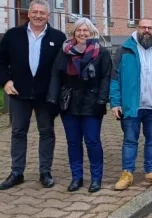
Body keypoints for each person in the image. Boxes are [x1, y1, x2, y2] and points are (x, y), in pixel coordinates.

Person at [0, 0, 66, 190]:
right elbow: (1, 62)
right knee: (18, 132)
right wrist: (6, 81)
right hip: (19, 93)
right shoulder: (13, 35)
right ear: (28, 14)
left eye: (42, 13)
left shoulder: (58, 37)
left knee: (46, 133)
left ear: (48, 16)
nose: (38, 16)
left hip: (45, 96)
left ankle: (45, 172)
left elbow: (62, 67)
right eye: (35, 12)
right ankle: (16, 172)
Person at [110, 18, 152, 190]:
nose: (146, 30)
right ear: (137, 28)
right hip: (132, 105)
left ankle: (151, 170)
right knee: (130, 140)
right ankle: (127, 173)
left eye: (150, 27)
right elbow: (115, 78)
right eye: (143, 27)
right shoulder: (125, 49)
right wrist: (115, 103)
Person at [46, 18, 111, 193]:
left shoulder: (101, 52)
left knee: (92, 141)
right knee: (73, 142)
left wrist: (101, 101)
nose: (82, 33)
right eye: (78, 30)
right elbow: (56, 76)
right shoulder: (65, 51)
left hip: (92, 103)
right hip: (69, 103)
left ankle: (96, 178)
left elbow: (106, 78)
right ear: (73, 33)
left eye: (86, 30)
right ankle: (77, 177)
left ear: (92, 33)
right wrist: (53, 99)